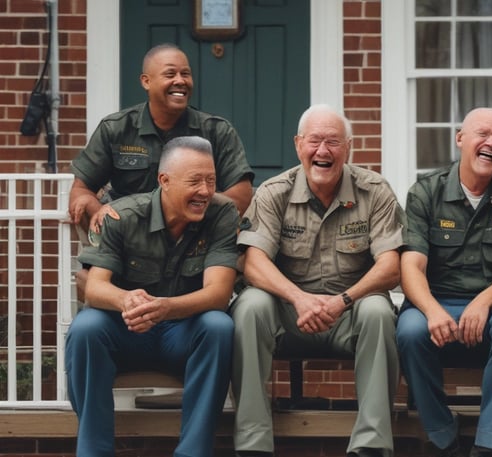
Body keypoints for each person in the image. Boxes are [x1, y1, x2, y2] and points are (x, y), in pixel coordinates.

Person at [230, 104, 405, 457]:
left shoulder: (375, 191)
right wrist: (298, 298)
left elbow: (391, 267)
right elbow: (252, 262)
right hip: (288, 315)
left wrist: (343, 300)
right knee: (249, 305)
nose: (322, 151)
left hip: (349, 313)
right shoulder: (273, 193)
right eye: (314, 141)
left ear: (348, 147)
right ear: (298, 145)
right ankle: (252, 446)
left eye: (333, 142)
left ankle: (371, 445)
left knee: (378, 310)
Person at [65, 136, 240, 457]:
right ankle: (94, 451)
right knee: (86, 328)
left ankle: (193, 452)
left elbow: (218, 293)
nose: (205, 190)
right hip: (125, 332)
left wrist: (165, 308)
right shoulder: (122, 216)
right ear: (165, 181)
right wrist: (127, 301)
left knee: (219, 326)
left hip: (183, 335)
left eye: (211, 180)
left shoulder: (222, 214)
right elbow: (94, 286)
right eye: (195, 181)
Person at [397, 107, 492, 457]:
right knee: (410, 330)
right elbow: (411, 268)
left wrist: (484, 301)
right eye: (483, 134)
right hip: (440, 299)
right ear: (460, 138)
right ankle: (442, 435)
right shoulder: (425, 193)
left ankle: (490, 440)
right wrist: (432, 310)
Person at [68, 42, 254, 236]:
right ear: (146, 81)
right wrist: (98, 211)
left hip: (195, 239)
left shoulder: (216, 131)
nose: (180, 81)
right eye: (170, 74)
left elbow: (240, 198)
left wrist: (188, 208)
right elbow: (81, 191)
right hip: (128, 238)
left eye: (186, 74)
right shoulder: (116, 128)